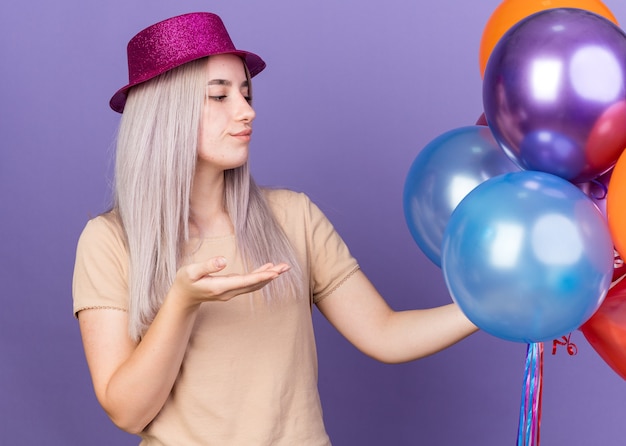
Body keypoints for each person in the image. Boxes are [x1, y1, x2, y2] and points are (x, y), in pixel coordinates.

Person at [72, 12, 478, 445]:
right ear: (167, 112)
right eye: (219, 96)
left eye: (246, 93)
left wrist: (490, 305)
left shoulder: (294, 216)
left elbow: (385, 334)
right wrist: (182, 303)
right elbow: (128, 412)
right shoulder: (109, 241)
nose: (247, 112)